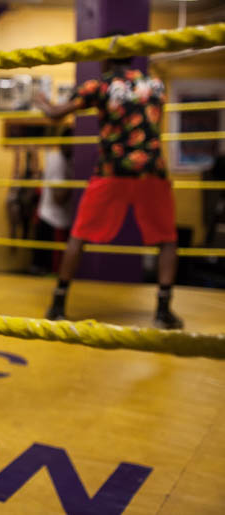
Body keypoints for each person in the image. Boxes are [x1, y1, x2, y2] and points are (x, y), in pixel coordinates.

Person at [34, 33, 183, 329]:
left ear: (104, 56)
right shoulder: (155, 85)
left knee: (78, 236)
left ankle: (58, 304)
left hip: (112, 170)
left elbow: (55, 114)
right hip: (152, 169)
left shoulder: (101, 84)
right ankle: (163, 309)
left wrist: (39, 98)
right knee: (167, 240)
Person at [30, 128, 73, 275]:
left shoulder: (68, 160)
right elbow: (58, 198)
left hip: (59, 221)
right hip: (52, 221)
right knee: (50, 271)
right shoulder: (57, 161)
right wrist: (77, 180)